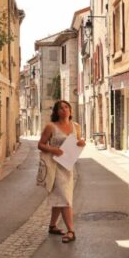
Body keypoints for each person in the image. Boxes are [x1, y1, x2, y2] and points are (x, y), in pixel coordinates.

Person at [37, 100, 86, 243]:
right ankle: (71, 231)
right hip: (54, 166)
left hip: (68, 166)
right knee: (65, 198)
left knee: (59, 196)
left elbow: (77, 143)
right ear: (56, 112)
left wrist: (81, 143)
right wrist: (53, 150)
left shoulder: (76, 126)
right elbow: (40, 144)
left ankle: (52, 226)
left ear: (70, 111)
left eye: (66, 107)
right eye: (60, 108)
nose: (64, 110)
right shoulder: (51, 127)